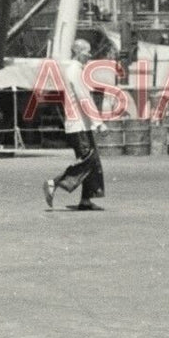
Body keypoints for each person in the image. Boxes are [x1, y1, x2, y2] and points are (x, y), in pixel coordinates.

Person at [43, 38, 107, 211]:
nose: (89, 56)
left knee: (91, 161)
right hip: (78, 124)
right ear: (79, 52)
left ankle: (86, 200)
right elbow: (83, 97)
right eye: (87, 52)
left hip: (80, 123)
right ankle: (54, 183)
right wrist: (98, 122)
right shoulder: (75, 71)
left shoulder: (74, 70)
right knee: (87, 161)